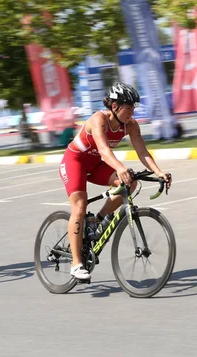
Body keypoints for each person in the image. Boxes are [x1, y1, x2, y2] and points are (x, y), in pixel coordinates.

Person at [59, 82, 172, 280]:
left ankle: (97, 220)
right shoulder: (98, 120)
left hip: (95, 166)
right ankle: (76, 263)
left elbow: (143, 152)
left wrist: (159, 171)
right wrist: (120, 168)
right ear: (114, 106)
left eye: (133, 108)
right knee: (79, 206)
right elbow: (104, 151)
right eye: (128, 108)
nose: (132, 112)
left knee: (130, 183)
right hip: (75, 161)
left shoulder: (131, 125)